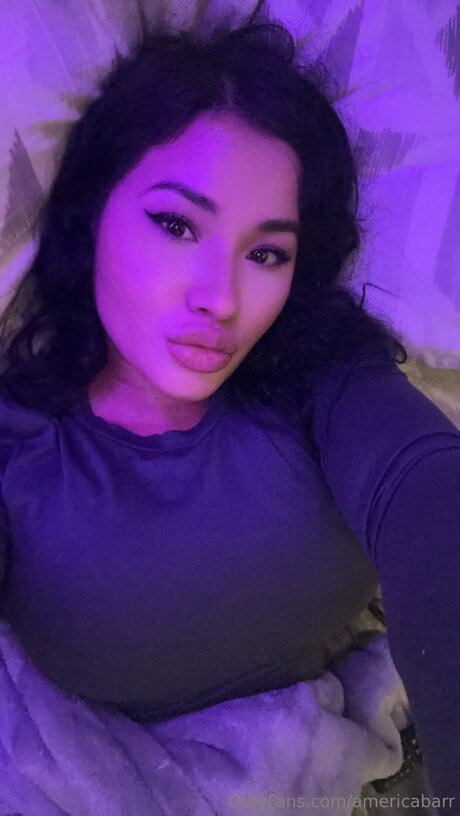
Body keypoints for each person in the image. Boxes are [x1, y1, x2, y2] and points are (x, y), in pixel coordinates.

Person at [0, 18, 459, 810]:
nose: (221, 297)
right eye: (176, 225)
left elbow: (431, 496)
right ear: (94, 210)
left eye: (266, 253)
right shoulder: (21, 439)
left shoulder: (316, 380)